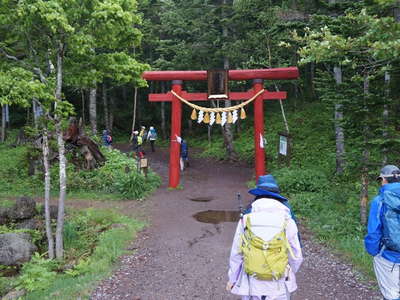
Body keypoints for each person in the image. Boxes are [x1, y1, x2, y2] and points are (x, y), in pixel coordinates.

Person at [227, 174, 303, 300]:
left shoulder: (246, 220)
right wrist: (290, 273)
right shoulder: (287, 221)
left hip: (251, 283)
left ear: (258, 195)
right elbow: (296, 255)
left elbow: (236, 253)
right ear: (277, 198)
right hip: (278, 284)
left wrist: (233, 279)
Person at [365, 164, 400, 300]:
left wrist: (373, 251)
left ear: (384, 180)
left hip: (388, 255)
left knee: (391, 294)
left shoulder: (379, 200)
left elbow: (374, 231)